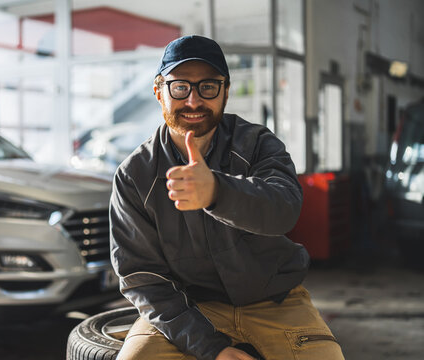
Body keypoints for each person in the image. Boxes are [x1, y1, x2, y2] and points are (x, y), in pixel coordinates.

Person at [109, 35, 345, 360]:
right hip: (189, 308)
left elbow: (285, 208)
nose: (193, 101)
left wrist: (217, 192)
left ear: (225, 92)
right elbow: (143, 279)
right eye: (180, 87)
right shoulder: (135, 175)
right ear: (158, 91)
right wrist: (212, 349)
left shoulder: (258, 144)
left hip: (276, 300)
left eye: (208, 87)